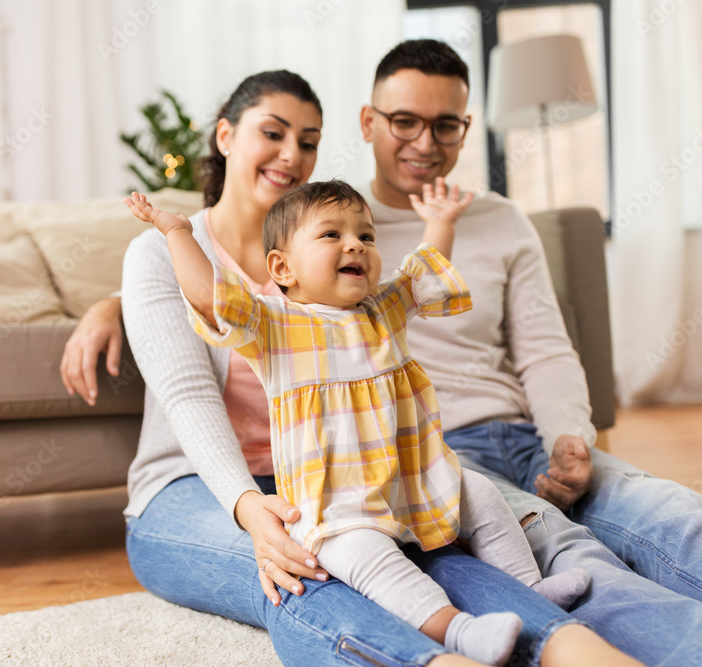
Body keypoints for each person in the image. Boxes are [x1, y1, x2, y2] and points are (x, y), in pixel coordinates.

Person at [63, 46, 702, 666]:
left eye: (307, 140)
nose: (290, 154)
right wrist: (250, 506)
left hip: (341, 472)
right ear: (226, 136)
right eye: (271, 133)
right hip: (204, 486)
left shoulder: (333, 248)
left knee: (472, 551)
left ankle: (566, 645)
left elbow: (426, 282)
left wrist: (562, 432)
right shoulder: (186, 252)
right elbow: (192, 373)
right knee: (311, 568)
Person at [125, 178, 594, 665]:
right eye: (331, 235)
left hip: (411, 484)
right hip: (337, 510)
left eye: (366, 236)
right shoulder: (273, 325)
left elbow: (423, 272)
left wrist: (440, 221)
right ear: (282, 268)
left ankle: (532, 589)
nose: (355, 244)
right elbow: (208, 295)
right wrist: (177, 231)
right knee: (376, 565)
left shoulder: (382, 311)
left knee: (482, 496)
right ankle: (457, 632)